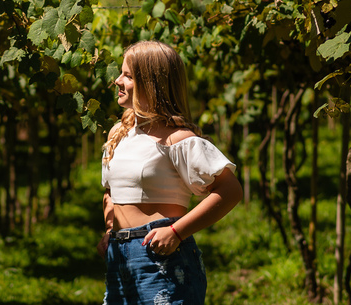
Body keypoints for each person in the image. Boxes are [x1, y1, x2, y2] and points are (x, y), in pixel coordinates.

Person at [99, 41, 243, 305]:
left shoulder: (177, 140)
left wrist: (177, 232)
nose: (117, 81)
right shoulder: (118, 136)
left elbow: (231, 190)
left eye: (128, 76)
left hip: (160, 256)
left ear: (150, 83)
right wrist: (110, 229)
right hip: (118, 258)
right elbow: (110, 192)